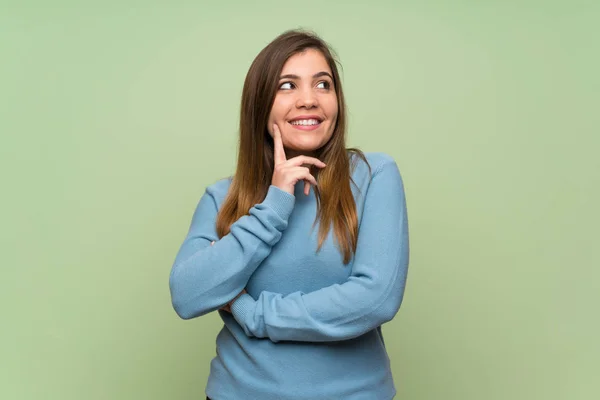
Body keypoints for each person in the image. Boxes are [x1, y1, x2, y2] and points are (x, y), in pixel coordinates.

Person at [169, 29, 410, 400]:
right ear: (260, 103)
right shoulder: (222, 197)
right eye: (287, 86)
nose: (309, 100)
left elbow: (375, 299)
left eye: (323, 84)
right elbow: (187, 295)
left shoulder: (374, 176)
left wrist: (252, 313)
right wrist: (275, 204)